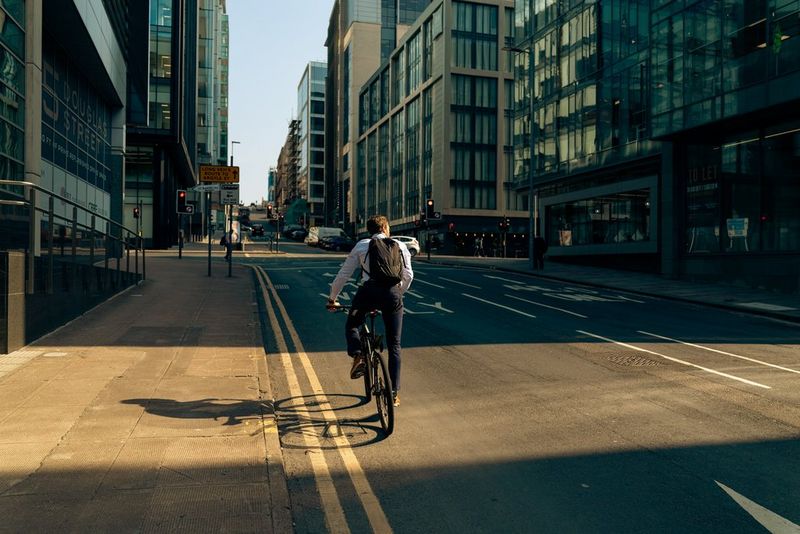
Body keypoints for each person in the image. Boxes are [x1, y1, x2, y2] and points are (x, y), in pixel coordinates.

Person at [327, 215, 413, 407]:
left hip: (368, 293)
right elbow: (408, 275)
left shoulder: (362, 245)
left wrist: (333, 298)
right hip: (392, 295)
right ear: (385, 228)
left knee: (352, 323)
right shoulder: (400, 245)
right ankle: (394, 392)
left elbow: (344, 274)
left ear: (370, 230)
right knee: (395, 345)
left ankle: (358, 354)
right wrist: (397, 292)